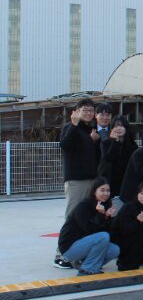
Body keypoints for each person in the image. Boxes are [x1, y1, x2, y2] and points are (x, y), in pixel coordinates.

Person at [55, 98, 101, 269]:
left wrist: (95, 142)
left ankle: (79, 253)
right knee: (72, 216)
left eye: (91, 110)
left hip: (91, 180)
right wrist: (74, 125)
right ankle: (61, 255)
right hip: (76, 181)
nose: (88, 113)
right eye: (85, 110)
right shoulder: (70, 127)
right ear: (76, 111)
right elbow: (65, 145)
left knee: (85, 218)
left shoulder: (90, 130)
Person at [57, 177, 120, 276]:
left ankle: (85, 264)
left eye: (108, 190)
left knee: (114, 250)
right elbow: (89, 229)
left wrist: (107, 216)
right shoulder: (84, 205)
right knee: (103, 237)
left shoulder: (105, 205)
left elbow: (107, 231)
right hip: (70, 246)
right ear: (94, 191)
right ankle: (87, 270)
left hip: (85, 244)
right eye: (102, 190)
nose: (106, 193)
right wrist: (100, 214)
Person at [98, 116, 138, 201]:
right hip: (110, 181)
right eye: (116, 126)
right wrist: (115, 142)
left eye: (121, 126)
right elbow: (109, 158)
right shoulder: (106, 143)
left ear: (126, 128)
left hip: (126, 182)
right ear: (111, 129)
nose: (118, 128)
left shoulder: (133, 145)